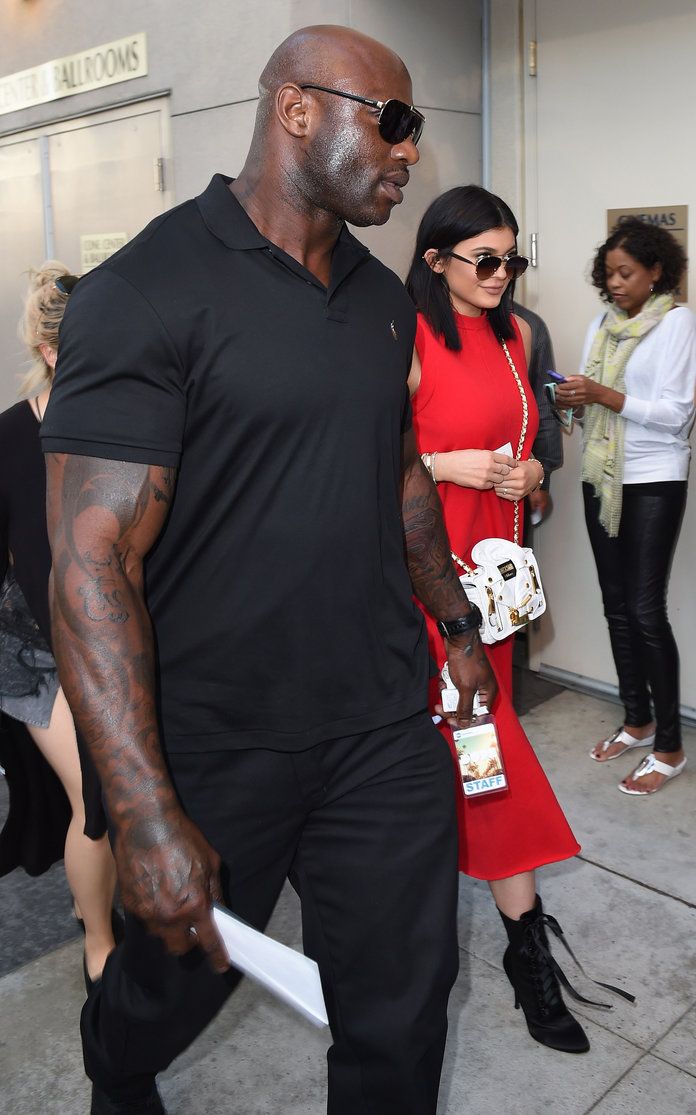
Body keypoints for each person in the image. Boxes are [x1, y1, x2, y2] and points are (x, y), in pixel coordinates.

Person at [40, 26, 497, 1115]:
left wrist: (459, 625)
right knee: (171, 985)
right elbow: (91, 560)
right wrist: (146, 813)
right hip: (213, 737)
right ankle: (117, 1063)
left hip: (379, 725)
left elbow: (399, 478)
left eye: (416, 130)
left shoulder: (384, 298)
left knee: (405, 995)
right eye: (391, 123)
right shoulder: (147, 290)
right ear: (297, 110)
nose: (409, 154)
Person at [405, 185, 592, 1054]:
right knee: (486, 755)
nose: (501, 273)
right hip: (433, 591)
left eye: (512, 257)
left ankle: (492, 942)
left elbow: (538, 445)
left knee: (472, 757)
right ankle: (525, 946)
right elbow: (371, 464)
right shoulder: (401, 336)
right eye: (485, 257)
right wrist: (451, 463)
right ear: (436, 258)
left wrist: (530, 479)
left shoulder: (522, 334)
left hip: (500, 585)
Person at [0, 262, 118, 988]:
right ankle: (100, 942)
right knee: (98, 801)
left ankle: (104, 900)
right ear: (49, 352)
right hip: (34, 647)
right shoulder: (11, 435)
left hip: (109, 636)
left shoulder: (127, 425)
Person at [555, 217, 696, 794]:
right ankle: (635, 719)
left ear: (656, 271)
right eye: (608, 273)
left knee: (644, 610)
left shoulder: (677, 323)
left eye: (626, 273)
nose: (614, 283)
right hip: (601, 476)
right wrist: (573, 399)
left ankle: (669, 746)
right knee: (616, 607)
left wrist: (604, 394)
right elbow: (596, 406)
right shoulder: (602, 324)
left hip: (655, 478)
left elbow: (676, 414)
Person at [512, 301, 564, 524]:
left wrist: (541, 480)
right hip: (441, 480)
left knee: (513, 556)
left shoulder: (527, 327)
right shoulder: (419, 322)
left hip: (516, 480)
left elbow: (543, 405)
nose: (500, 275)